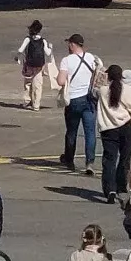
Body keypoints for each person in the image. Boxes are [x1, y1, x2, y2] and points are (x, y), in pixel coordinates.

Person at [97, 64, 131, 204]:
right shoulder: (129, 90)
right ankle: (121, 187)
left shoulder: (102, 90)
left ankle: (109, 190)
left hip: (109, 129)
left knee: (109, 160)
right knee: (125, 158)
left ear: (109, 76)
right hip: (127, 127)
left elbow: (95, 87)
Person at [57, 33, 101, 177]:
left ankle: (69, 160)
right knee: (90, 132)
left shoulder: (66, 61)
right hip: (89, 100)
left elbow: (61, 81)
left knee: (71, 131)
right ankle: (90, 163)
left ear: (72, 44)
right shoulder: (92, 58)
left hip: (74, 100)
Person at [14, 20, 53, 111]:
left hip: (29, 64)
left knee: (28, 83)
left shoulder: (28, 39)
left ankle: (27, 101)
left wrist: (17, 56)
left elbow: (20, 50)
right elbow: (48, 53)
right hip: (39, 65)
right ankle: (36, 105)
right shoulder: (43, 40)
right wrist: (50, 47)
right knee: (38, 85)